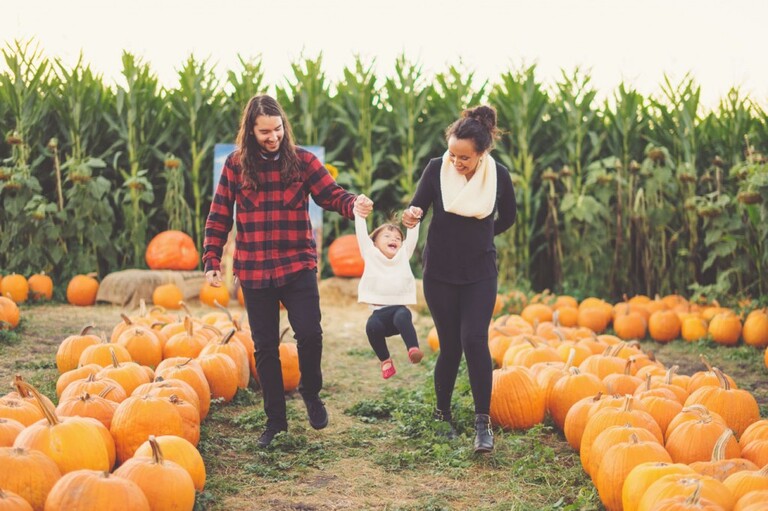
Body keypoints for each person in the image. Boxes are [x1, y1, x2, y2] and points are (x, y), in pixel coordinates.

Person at [203, 94, 372, 448]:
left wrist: (354, 203)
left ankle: (311, 392)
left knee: (309, 334)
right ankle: (276, 421)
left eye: (278, 129)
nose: (273, 136)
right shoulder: (235, 166)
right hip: (254, 268)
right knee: (265, 347)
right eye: (265, 131)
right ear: (251, 131)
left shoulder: (303, 162)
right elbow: (219, 214)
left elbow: (331, 195)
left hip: (297, 265)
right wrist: (212, 259)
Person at [401, 105, 516, 453]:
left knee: (474, 339)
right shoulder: (437, 168)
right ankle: (442, 416)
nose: (456, 162)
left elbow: (508, 217)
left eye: (464, 157)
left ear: (482, 153)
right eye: (452, 154)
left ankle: (483, 424)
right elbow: (416, 208)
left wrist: (481, 237)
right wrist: (411, 215)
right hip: (439, 271)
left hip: (480, 271)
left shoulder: (499, 176)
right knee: (449, 345)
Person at [354, 207, 423, 379]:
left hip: (398, 311)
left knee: (402, 315)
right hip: (379, 315)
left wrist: (414, 219)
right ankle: (385, 361)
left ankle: (413, 349)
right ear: (374, 242)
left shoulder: (403, 256)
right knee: (371, 326)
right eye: (387, 236)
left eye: (398, 238)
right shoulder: (370, 254)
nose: (393, 239)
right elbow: (361, 234)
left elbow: (412, 233)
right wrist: (359, 214)